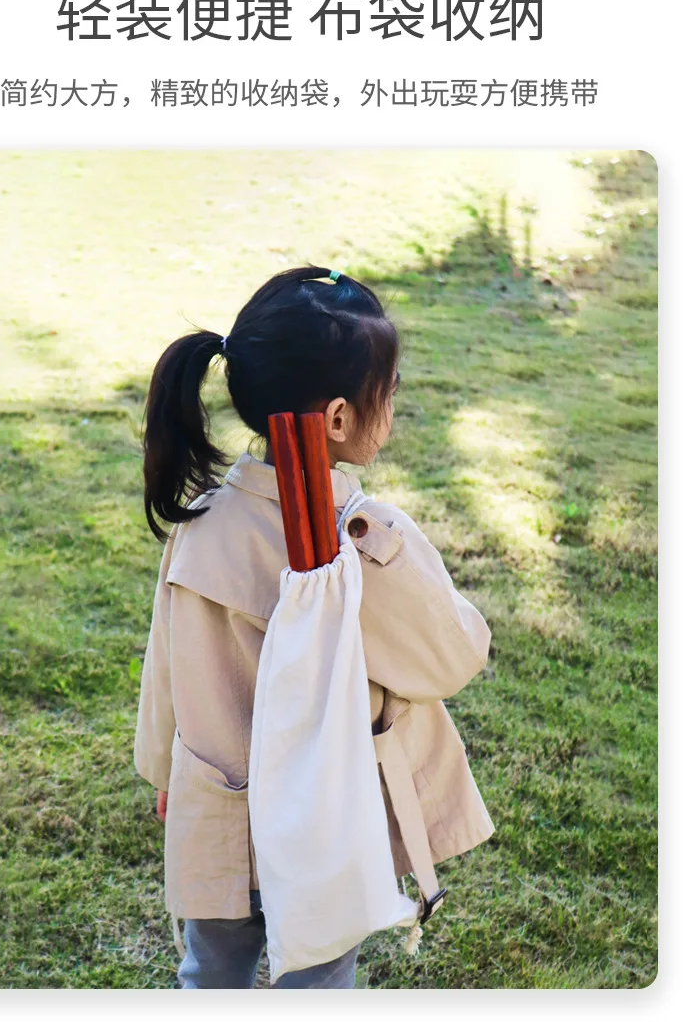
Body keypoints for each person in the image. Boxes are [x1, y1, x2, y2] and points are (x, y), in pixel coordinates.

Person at [133, 265, 494, 989]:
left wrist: (166, 770)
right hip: (327, 821)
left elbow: (165, 663)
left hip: (219, 810)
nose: (394, 401)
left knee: (211, 977)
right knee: (317, 990)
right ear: (336, 418)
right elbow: (454, 657)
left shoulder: (203, 522)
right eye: (388, 389)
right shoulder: (364, 543)